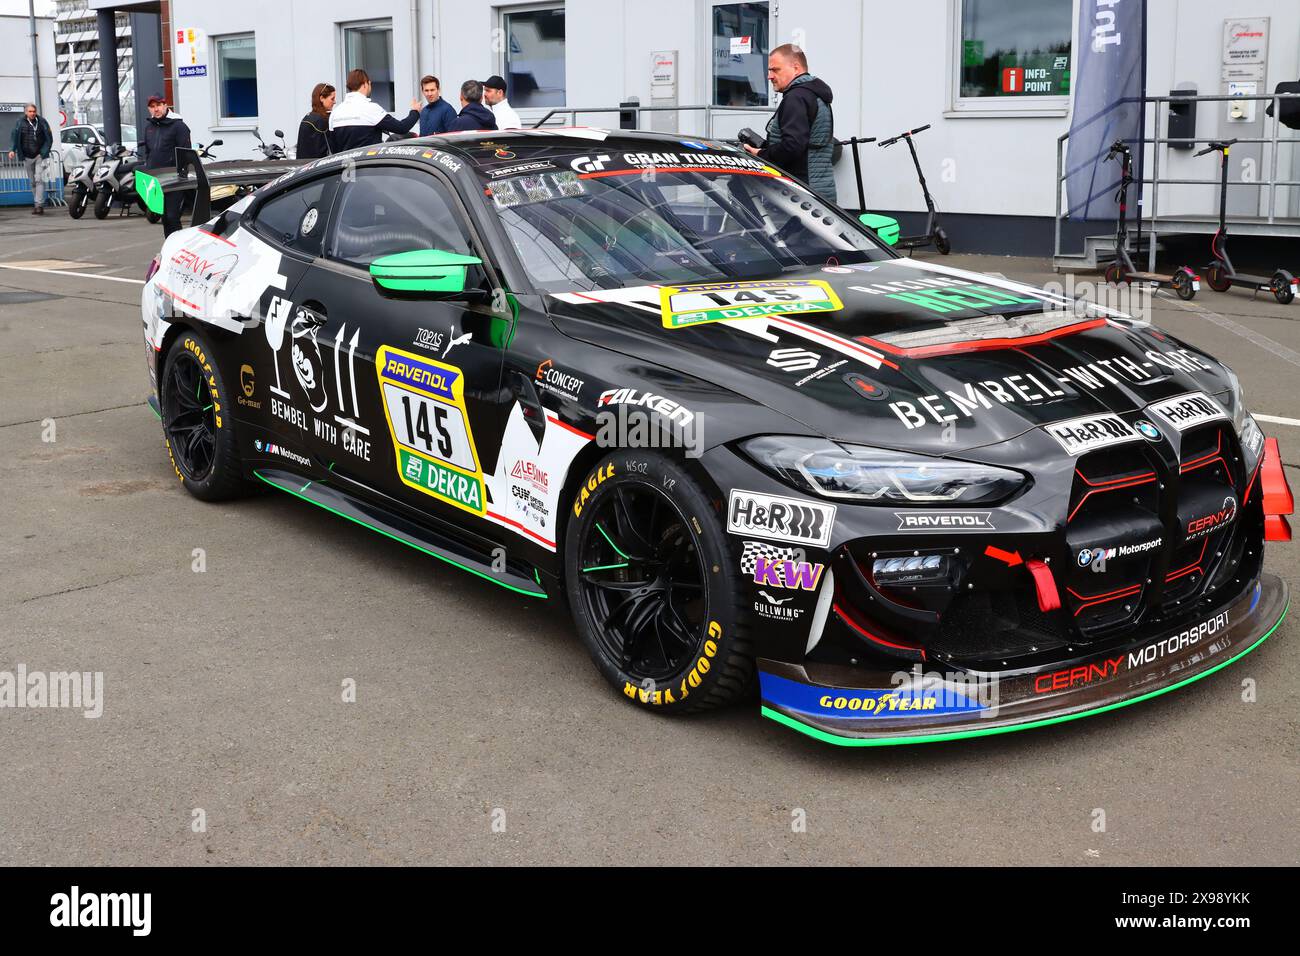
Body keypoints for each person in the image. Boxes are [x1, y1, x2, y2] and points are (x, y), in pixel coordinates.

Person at [741, 44, 836, 203]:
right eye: (769, 70)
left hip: (802, 194)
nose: (769, 76)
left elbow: (793, 146)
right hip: (820, 189)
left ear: (796, 68)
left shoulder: (796, 98)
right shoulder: (815, 95)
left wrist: (761, 154)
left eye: (775, 70)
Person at [139, 95, 193, 236]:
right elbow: (148, 153)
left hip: (174, 179)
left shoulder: (179, 126)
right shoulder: (149, 127)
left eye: (158, 105)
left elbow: (185, 153)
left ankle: (178, 249)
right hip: (155, 179)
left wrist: (182, 176)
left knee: (172, 217)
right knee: (164, 218)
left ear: (165, 105)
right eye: (152, 106)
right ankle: (169, 248)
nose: (155, 109)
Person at [329, 69, 421, 151]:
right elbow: (401, 128)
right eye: (370, 83)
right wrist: (415, 112)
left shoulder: (335, 113)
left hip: (345, 168)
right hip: (369, 166)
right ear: (365, 84)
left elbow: (333, 148)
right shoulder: (371, 109)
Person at [7, 104, 53, 216]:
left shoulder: (42, 122)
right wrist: (12, 150)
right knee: (32, 182)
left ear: (36, 112)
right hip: (26, 156)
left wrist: (44, 152)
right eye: (30, 111)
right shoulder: (19, 123)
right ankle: (37, 203)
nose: (32, 113)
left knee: (39, 179)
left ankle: (39, 205)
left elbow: (49, 138)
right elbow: (14, 137)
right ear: (26, 112)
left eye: (34, 111)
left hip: (39, 155)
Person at [296, 82, 336, 159]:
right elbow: (323, 150)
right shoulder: (322, 121)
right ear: (321, 98)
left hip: (304, 166)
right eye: (332, 98)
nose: (334, 102)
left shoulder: (307, 117)